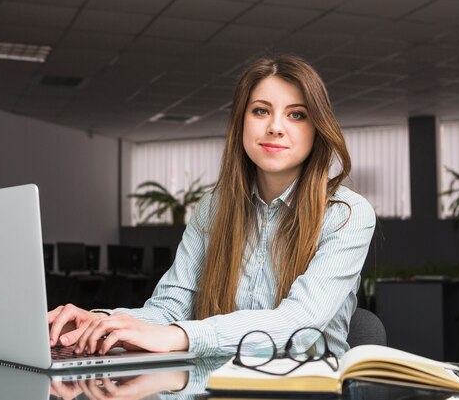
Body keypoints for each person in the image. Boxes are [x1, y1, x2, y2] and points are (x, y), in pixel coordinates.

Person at [48, 54, 376, 358]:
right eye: (261, 110)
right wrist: (97, 321)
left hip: (309, 389)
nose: (275, 126)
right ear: (241, 122)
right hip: (215, 385)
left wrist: (181, 336)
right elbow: (169, 309)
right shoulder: (214, 207)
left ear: (317, 127)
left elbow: (299, 325)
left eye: (297, 114)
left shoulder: (346, 214)